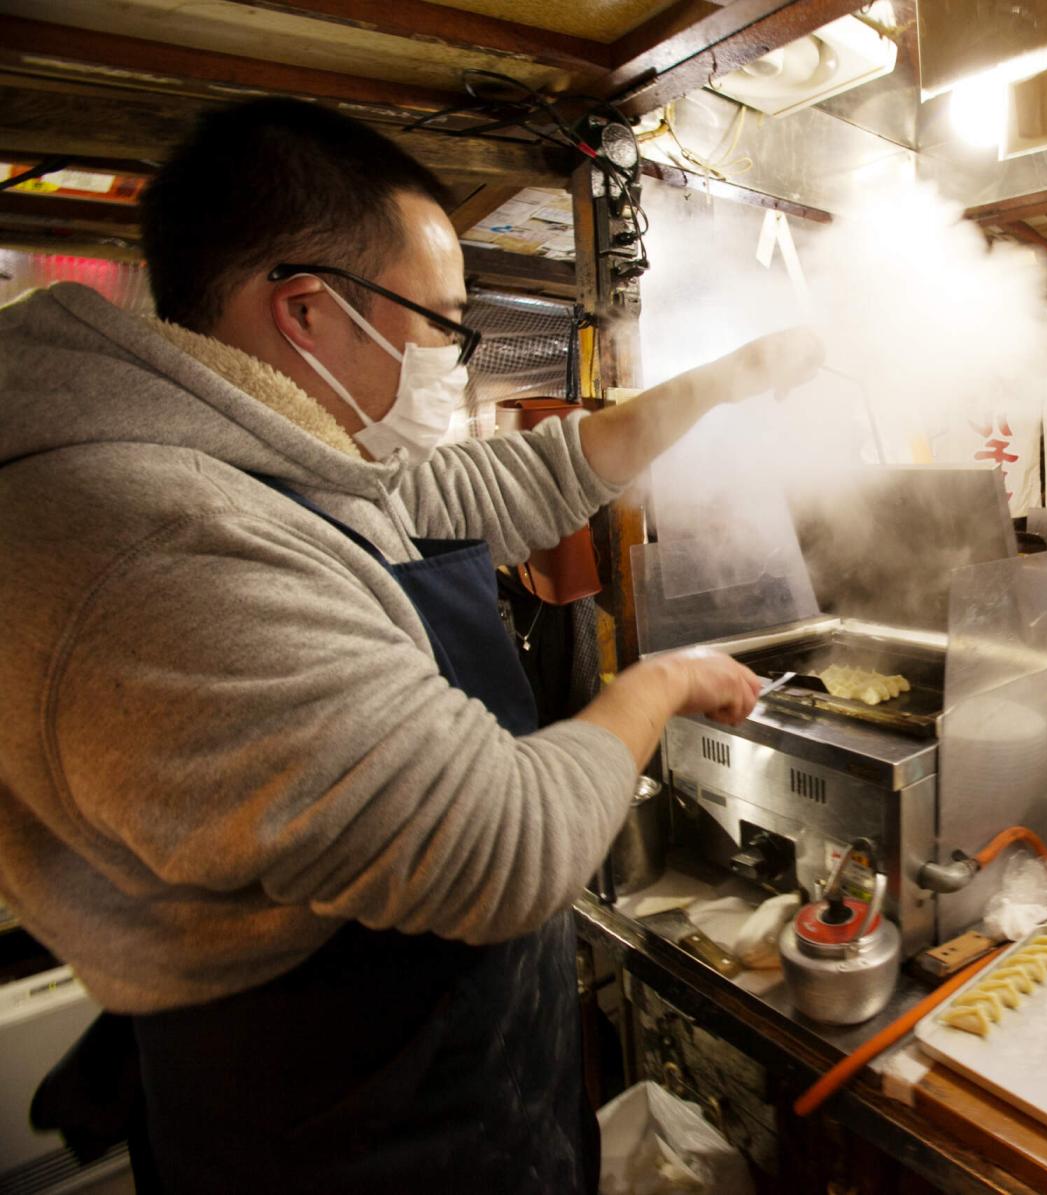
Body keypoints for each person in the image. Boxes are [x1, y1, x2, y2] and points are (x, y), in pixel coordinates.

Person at [0, 99, 820, 1193]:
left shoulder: (258, 462)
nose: (451, 354)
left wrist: (728, 380)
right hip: (338, 1127)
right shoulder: (158, 549)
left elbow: (507, 483)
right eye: (439, 321)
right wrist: (654, 685)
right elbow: (509, 845)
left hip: (443, 1080)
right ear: (305, 310)